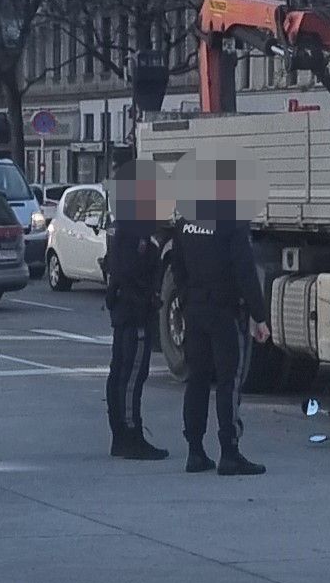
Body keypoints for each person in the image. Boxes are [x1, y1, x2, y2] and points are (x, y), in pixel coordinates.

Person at [173, 158, 272, 476]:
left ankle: (194, 451)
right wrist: (260, 316)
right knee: (228, 382)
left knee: (197, 379)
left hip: (195, 310)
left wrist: (188, 299)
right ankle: (229, 452)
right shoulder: (232, 221)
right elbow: (245, 272)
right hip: (225, 312)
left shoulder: (186, 219)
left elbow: (178, 267)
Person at [104, 161, 169, 460]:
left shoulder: (120, 222)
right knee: (131, 375)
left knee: (119, 372)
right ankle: (130, 434)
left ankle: (122, 432)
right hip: (134, 309)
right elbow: (131, 269)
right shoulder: (136, 228)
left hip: (124, 308)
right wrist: (149, 297)